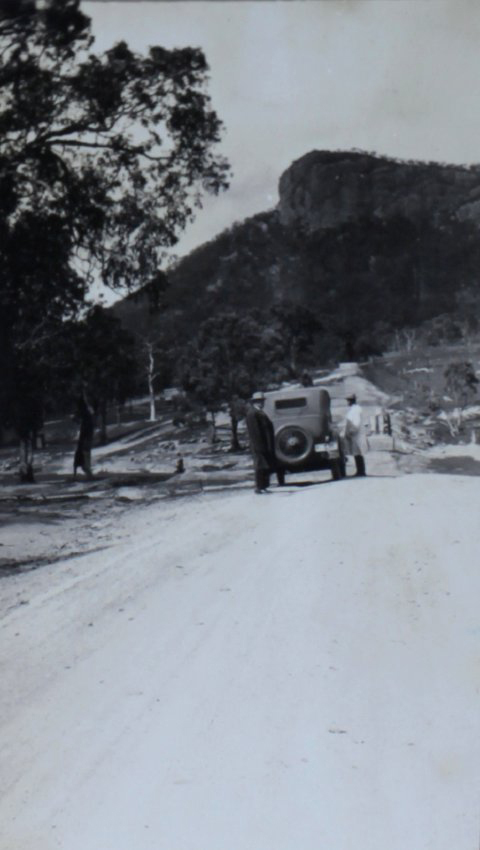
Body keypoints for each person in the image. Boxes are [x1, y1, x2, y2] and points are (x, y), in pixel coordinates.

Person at [245, 391, 278, 493]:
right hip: (259, 444)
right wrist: (260, 446)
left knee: (265, 465)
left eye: (262, 401)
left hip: (264, 444)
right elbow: (255, 432)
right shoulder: (253, 413)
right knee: (260, 466)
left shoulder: (259, 412)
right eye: (259, 401)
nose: (261, 403)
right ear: (254, 402)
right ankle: (259, 487)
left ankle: (264, 486)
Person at [73, 390, 95, 480]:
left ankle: (85, 468)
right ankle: (86, 468)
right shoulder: (84, 405)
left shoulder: (85, 404)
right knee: (85, 448)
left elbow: (77, 417)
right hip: (86, 428)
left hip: (87, 428)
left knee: (84, 448)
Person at [343, 393, 366, 477]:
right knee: (357, 453)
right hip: (355, 434)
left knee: (358, 453)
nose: (347, 402)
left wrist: (352, 431)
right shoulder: (354, 409)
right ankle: (360, 471)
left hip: (356, 434)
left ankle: (361, 471)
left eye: (348, 400)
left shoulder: (356, 410)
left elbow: (356, 422)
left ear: (351, 401)